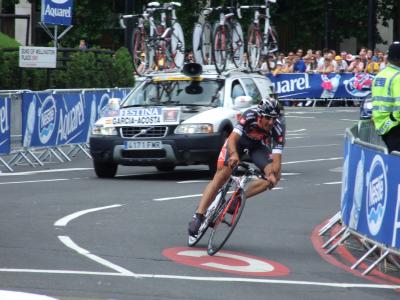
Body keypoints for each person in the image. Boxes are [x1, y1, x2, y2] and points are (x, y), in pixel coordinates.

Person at [188, 98, 285, 238]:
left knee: (272, 179)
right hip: (239, 142)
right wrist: (233, 155)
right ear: (261, 115)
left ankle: (238, 198)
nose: (271, 122)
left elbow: (277, 161)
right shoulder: (250, 115)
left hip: (258, 147)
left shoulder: (277, 128)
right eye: (268, 118)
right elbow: (232, 138)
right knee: (222, 175)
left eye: (274, 119)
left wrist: (273, 175)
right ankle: (199, 215)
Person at [371, 41, 400, 152]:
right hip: (395, 125)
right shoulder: (398, 76)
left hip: (382, 125)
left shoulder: (380, 75)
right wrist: (393, 119)